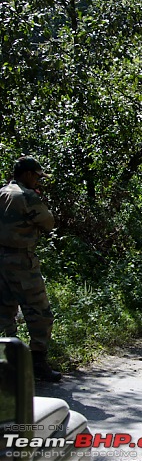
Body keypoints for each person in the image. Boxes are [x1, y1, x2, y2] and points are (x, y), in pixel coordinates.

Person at [0, 156, 61, 382]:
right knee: (39, 312)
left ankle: (7, 366)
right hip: (21, 262)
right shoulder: (27, 197)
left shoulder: (1, 192)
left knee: (4, 312)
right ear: (27, 174)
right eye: (37, 176)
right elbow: (48, 223)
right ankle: (38, 364)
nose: (38, 181)